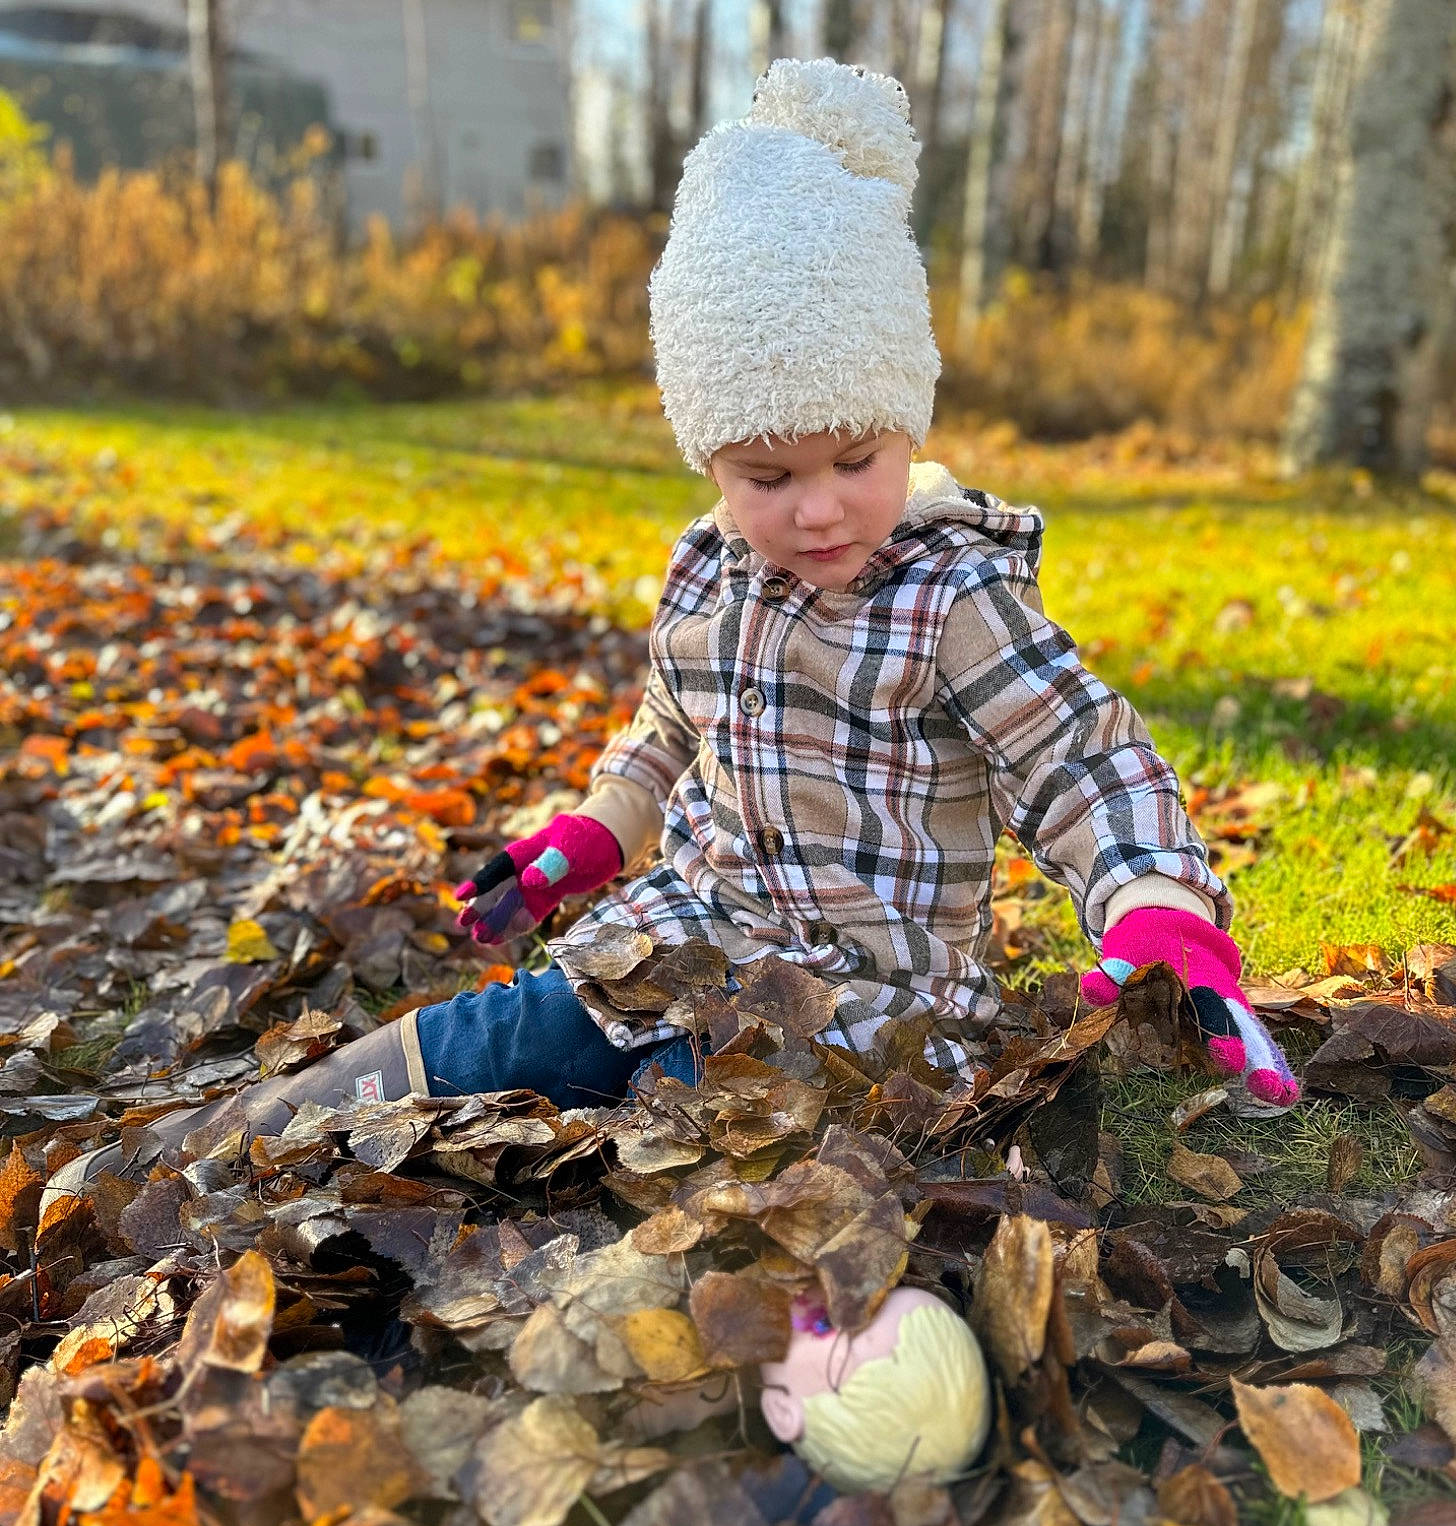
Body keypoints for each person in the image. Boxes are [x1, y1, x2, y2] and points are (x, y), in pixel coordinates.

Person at [163, 57, 1296, 1148]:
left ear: (909, 417)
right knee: (512, 1026)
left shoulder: (951, 594)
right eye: (767, 477)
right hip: (685, 932)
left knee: (688, 1106)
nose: (817, 510)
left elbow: (1079, 758)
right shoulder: (709, 570)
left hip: (861, 1002)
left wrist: (1152, 894)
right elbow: (668, 729)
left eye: (856, 457)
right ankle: (234, 1136)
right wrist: (600, 829)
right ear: (713, 462)